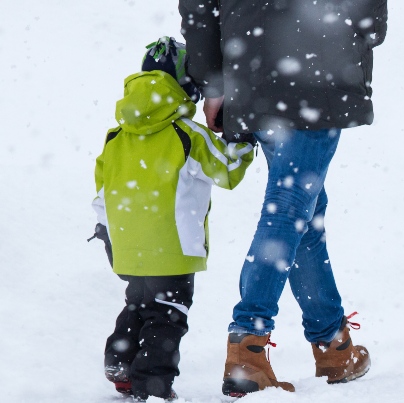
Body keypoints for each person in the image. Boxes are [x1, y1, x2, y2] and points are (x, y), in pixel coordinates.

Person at [178, 0, 388, 396]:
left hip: (253, 72)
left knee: (303, 210)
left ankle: (332, 343)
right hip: (318, 65)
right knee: (290, 205)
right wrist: (355, 39)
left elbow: (200, 6)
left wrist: (215, 82)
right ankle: (248, 344)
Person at [89, 36, 254, 402]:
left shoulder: (115, 137)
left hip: (126, 243)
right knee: (168, 314)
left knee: (139, 302)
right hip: (172, 243)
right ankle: (153, 382)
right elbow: (227, 170)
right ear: (187, 88)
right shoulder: (186, 134)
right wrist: (243, 139)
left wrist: (106, 230)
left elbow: (103, 189)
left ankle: (121, 362)